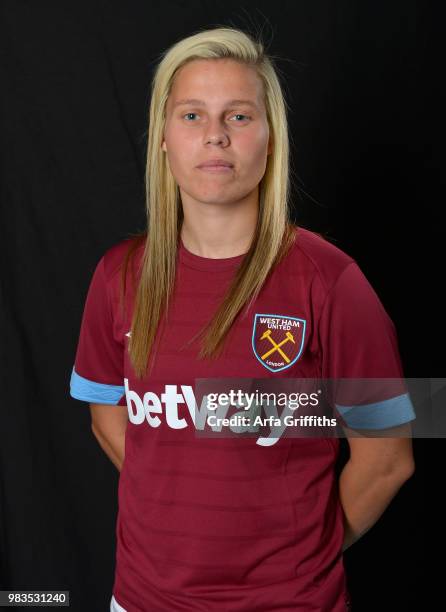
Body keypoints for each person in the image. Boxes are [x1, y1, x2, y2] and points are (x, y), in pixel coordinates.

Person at [69, 26, 416, 612]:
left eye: (238, 117)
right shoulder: (117, 275)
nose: (214, 137)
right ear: (162, 138)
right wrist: (179, 506)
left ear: (270, 137)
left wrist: (296, 556)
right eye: (191, 116)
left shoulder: (332, 281)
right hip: (140, 599)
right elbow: (108, 419)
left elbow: (388, 460)